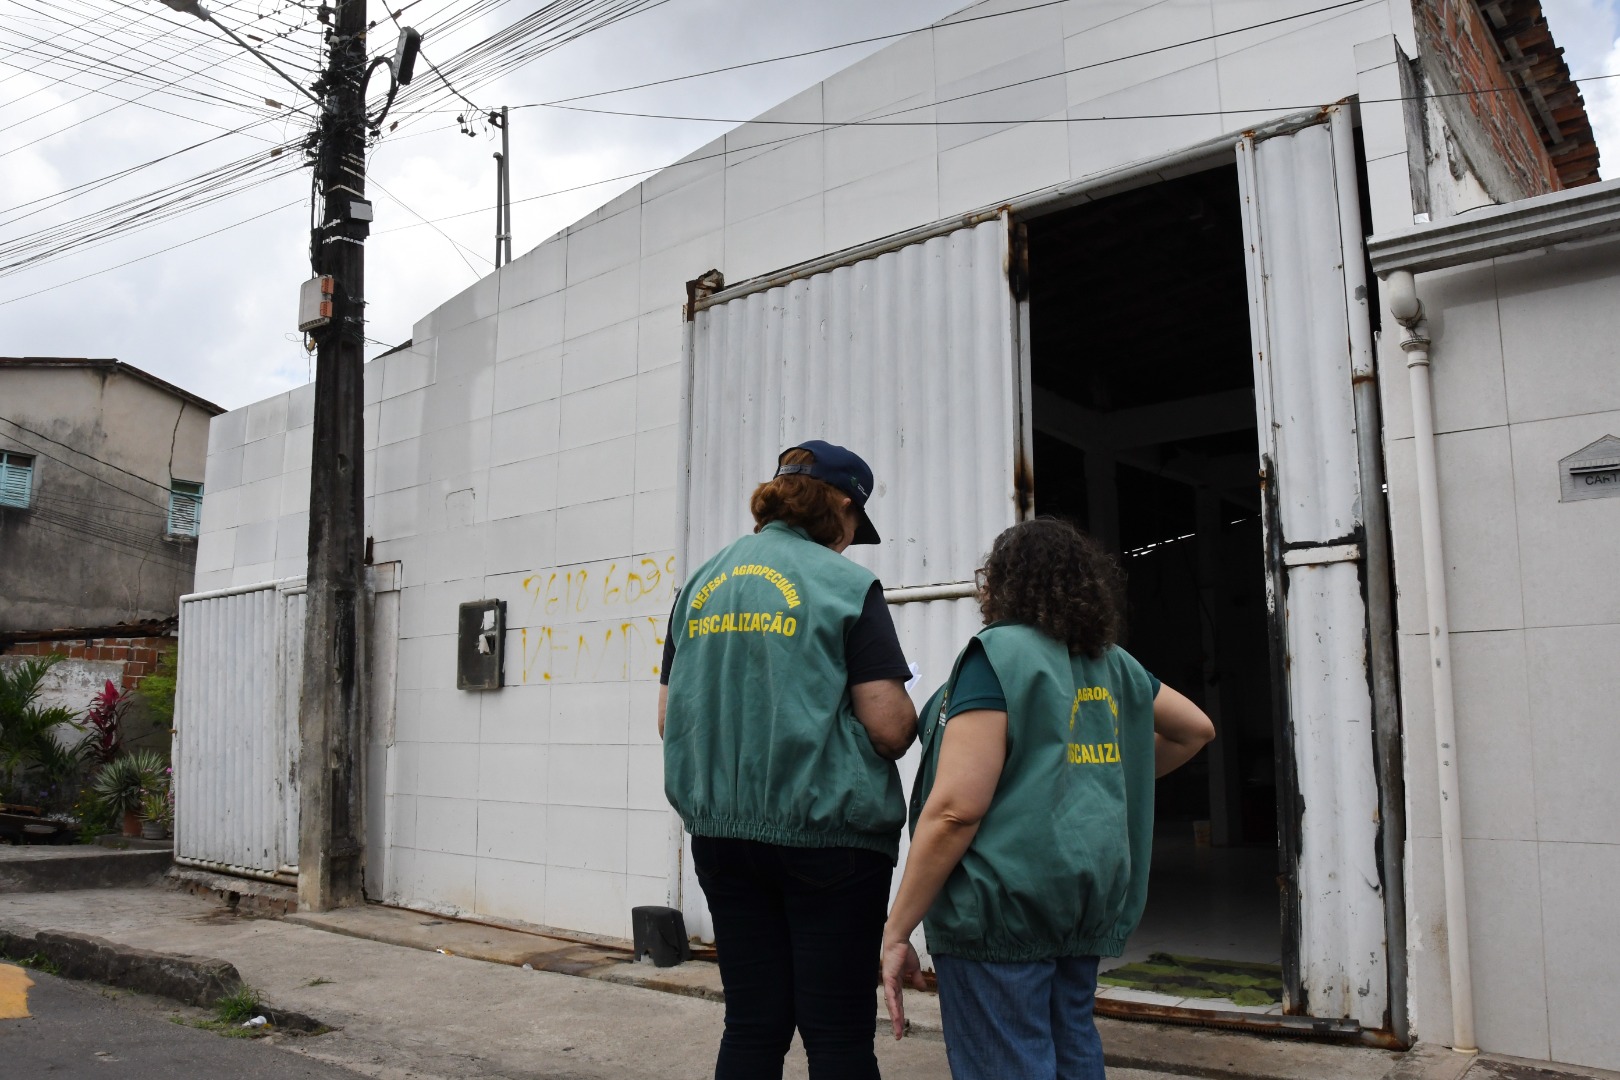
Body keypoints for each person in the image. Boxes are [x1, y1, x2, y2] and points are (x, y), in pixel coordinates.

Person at [879, 518, 1216, 1080]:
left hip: (1002, 908)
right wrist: (1100, 778)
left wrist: (896, 930)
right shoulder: (1112, 663)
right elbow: (1196, 729)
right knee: (1071, 1043)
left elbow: (956, 810)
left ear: (1001, 585)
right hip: (1081, 901)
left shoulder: (996, 656)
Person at [659, 440, 918, 1080]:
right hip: (827, 838)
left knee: (753, 1024)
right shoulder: (847, 585)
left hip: (722, 837)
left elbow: (670, 718)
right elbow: (888, 729)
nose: (852, 540)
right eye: (855, 523)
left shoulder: (700, 583)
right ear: (839, 505)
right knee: (837, 1036)